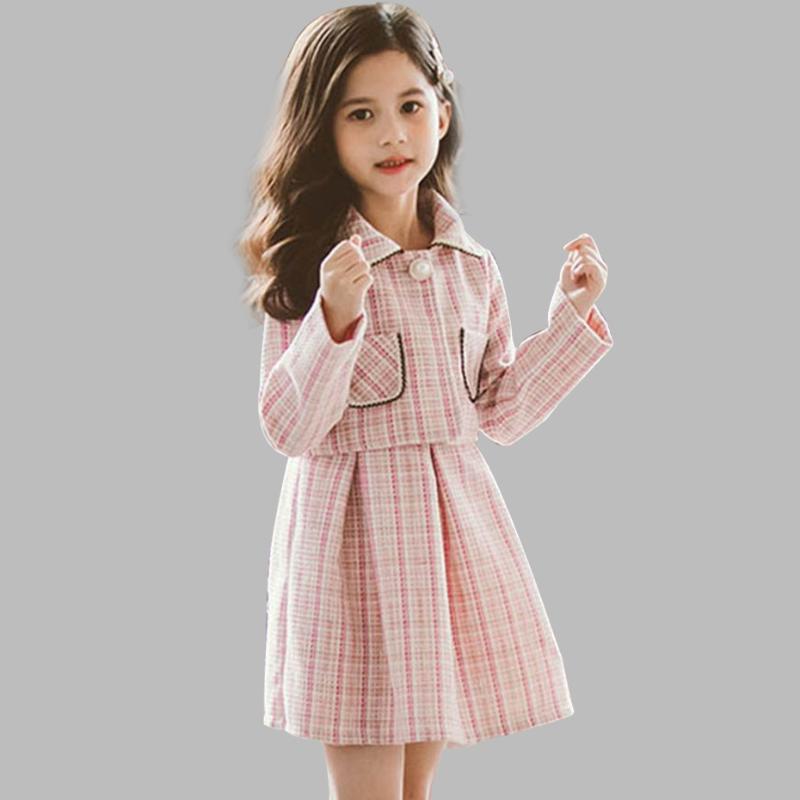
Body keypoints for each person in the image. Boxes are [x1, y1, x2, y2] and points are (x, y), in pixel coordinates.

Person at [238, 4, 613, 798]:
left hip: (445, 550)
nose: (392, 134)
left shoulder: (469, 266)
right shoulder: (313, 265)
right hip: (353, 554)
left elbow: (499, 411)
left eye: (410, 106)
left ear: (442, 113)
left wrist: (569, 319)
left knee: (415, 790)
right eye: (361, 114)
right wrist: (335, 318)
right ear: (324, 130)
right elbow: (287, 427)